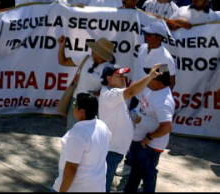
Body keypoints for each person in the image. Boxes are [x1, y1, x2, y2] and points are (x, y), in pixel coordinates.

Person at [100, 64, 164, 192]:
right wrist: (150, 76)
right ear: (109, 79)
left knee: (104, 185)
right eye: (119, 75)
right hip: (110, 150)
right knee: (103, 187)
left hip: (114, 150)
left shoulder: (116, 94)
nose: (123, 78)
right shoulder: (110, 94)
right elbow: (131, 91)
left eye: (124, 75)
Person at [123, 69, 175, 194]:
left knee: (147, 174)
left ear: (161, 83)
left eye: (152, 77)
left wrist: (149, 138)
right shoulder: (151, 88)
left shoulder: (164, 101)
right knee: (135, 170)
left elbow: (167, 127)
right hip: (138, 139)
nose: (148, 78)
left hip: (149, 145)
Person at [55, 91, 111, 193]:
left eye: (75, 105)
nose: (73, 107)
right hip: (97, 187)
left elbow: (71, 167)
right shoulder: (103, 126)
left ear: (82, 112)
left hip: (76, 188)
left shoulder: (77, 134)